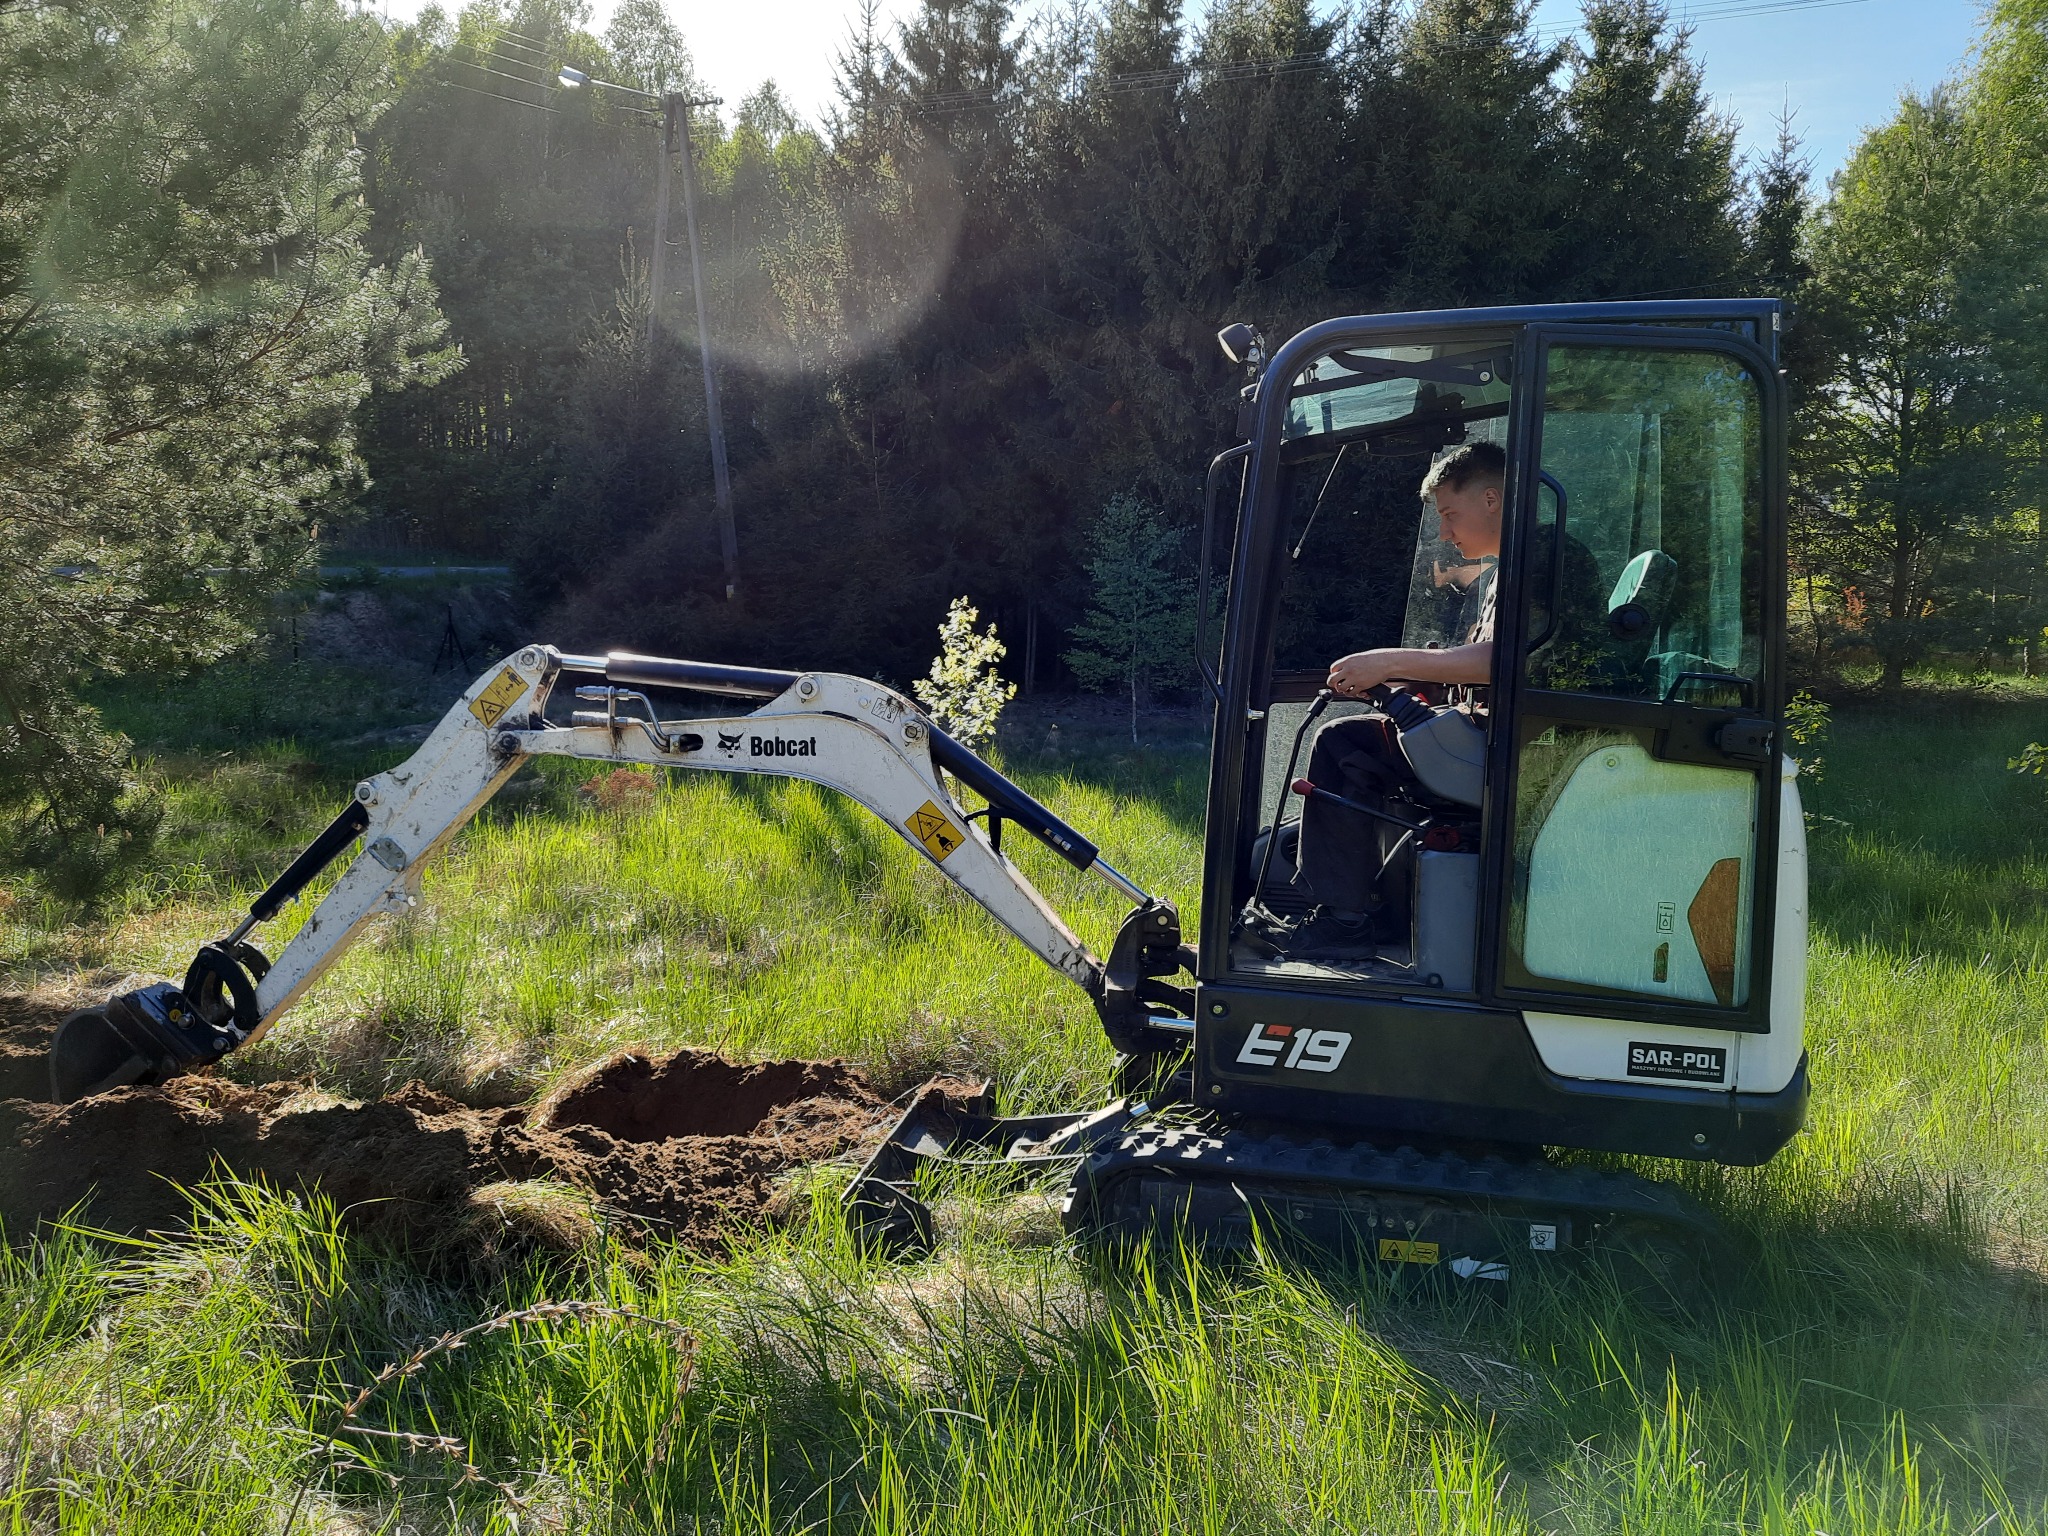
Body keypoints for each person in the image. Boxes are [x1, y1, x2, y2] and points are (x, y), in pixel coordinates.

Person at [1264, 440, 1603, 958]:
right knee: (1360, 743)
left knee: (1343, 745)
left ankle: (1345, 922)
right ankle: (1364, 907)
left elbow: (1507, 661)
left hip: (1525, 751)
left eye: (1449, 514)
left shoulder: (1547, 557)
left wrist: (1392, 662)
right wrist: (1425, 679)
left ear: (1492, 499)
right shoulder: (1510, 567)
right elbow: (1491, 663)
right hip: (1502, 737)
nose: (1444, 531)